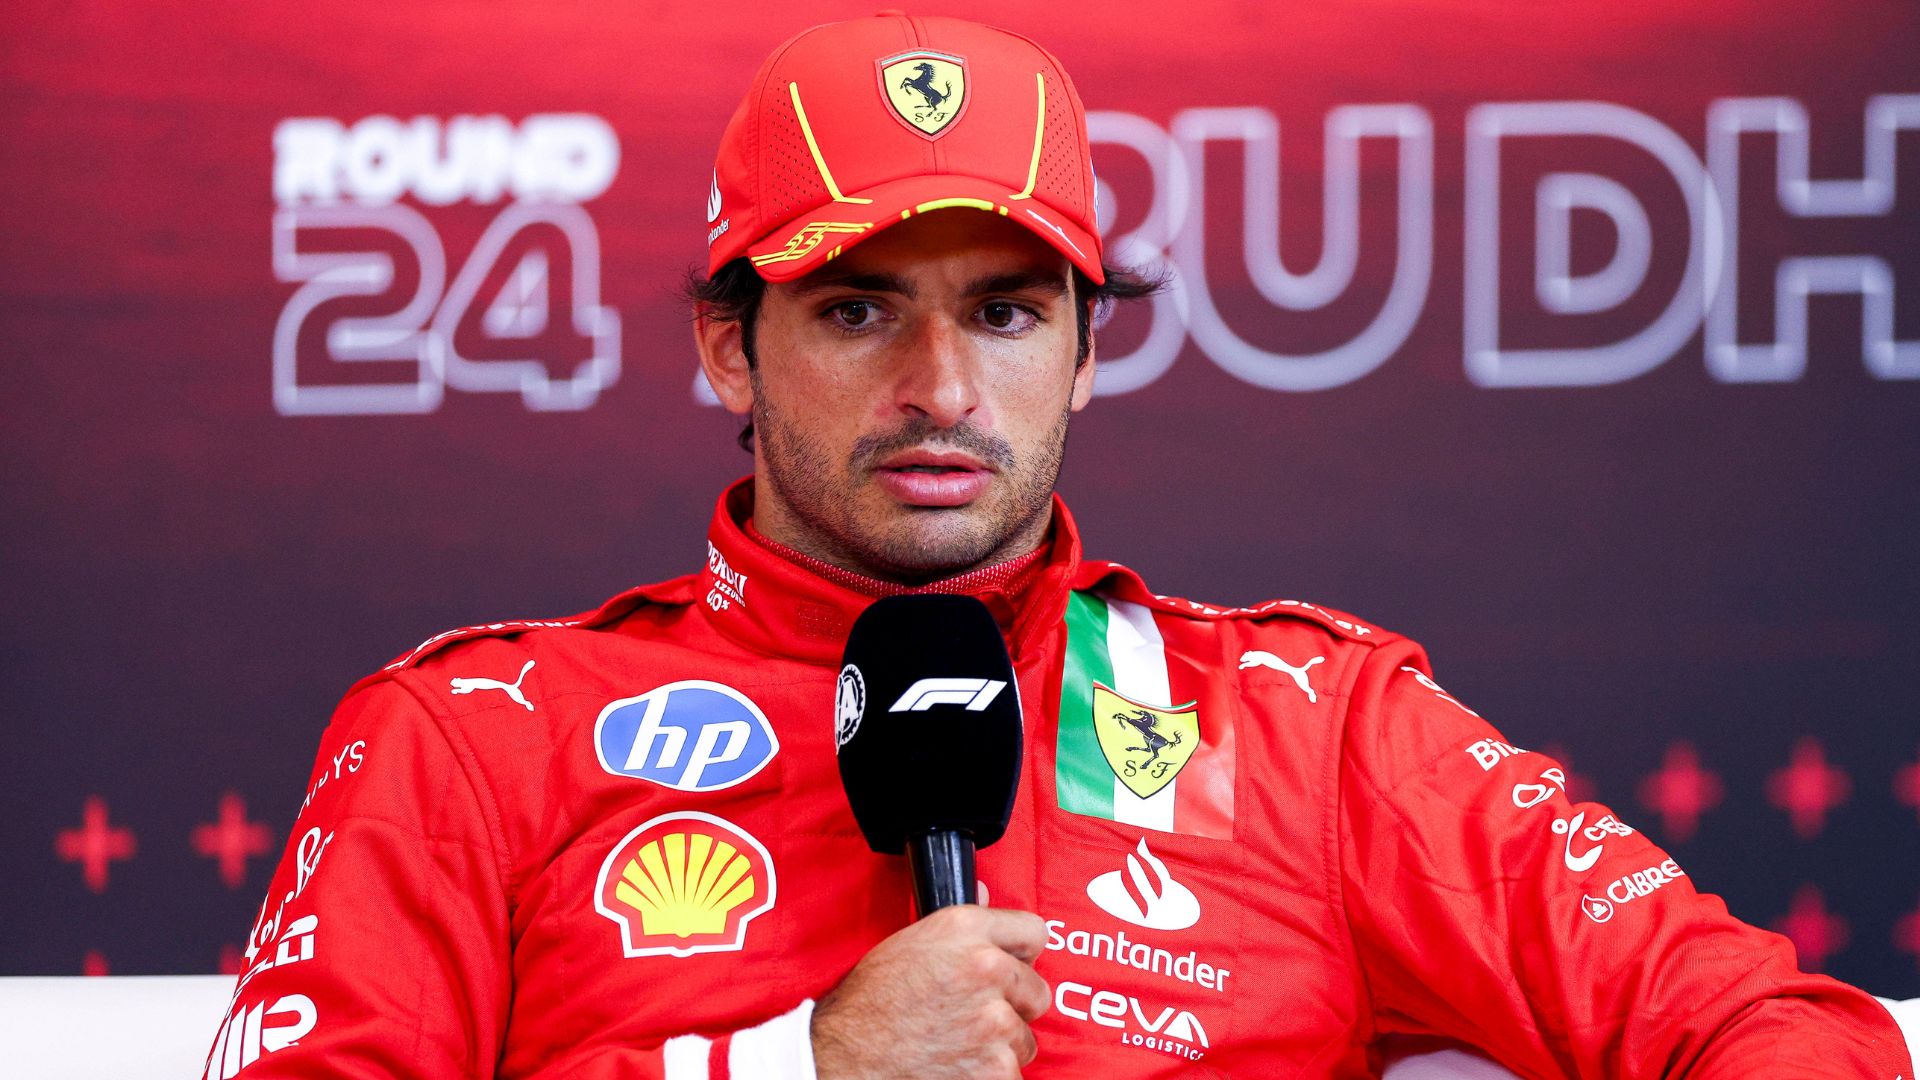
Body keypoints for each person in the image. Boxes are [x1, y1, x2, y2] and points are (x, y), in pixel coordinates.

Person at [205, 12, 1912, 1080]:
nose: (942, 387)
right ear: (728, 345)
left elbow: (1768, 1033)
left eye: (1008, 312)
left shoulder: (1311, 732)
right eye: (860, 308)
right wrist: (788, 1074)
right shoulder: (473, 742)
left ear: (1090, 353)